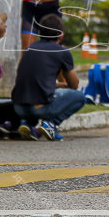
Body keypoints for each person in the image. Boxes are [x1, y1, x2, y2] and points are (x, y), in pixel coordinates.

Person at [11, 13, 84, 141]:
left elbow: (28, 77)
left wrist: (55, 85)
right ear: (61, 35)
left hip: (18, 107)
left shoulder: (29, 48)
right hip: (40, 109)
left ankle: (26, 124)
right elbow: (74, 85)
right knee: (79, 97)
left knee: (37, 93)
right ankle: (52, 123)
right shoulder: (62, 51)